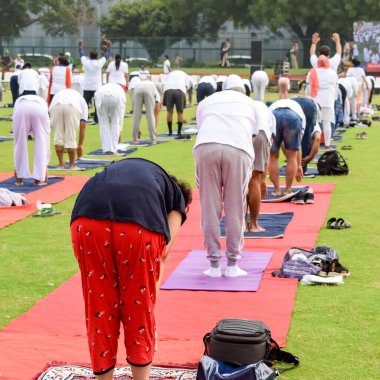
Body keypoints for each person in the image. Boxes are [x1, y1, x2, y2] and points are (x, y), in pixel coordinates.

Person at [70, 157, 192, 380]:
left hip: (86, 222)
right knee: (139, 309)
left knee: (99, 307)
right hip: (137, 229)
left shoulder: (122, 170)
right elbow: (163, 253)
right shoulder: (177, 198)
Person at [193, 74, 260, 278]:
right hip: (237, 148)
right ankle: (232, 265)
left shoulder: (207, 101)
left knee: (209, 207)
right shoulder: (250, 103)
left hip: (206, 147)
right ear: (242, 89)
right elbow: (253, 135)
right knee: (235, 206)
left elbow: (202, 128)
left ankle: (213, 265)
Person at [246, 101, 276, 232]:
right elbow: (268, 148)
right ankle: (254, 224)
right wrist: (264, 179)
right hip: (260, 133)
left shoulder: (242, 104)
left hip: (240, 132)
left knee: (239, 180)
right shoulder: (268, 112)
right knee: (255, 180)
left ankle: (243, 224)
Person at [268, 98, 306, 196]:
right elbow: (298, 146)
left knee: (272, 156)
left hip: (273, 115)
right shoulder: (300, 114)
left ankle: (277, 190)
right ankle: (287, 190)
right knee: (291, 156)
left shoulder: (274, 105)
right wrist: (299, 165)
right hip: (292, 117)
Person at [13, 94, 50, 186]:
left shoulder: (19, 101)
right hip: (39, 109)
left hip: (21, 109)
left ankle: (19, 179)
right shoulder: (42, 102)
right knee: (42, 142)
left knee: (19, 142)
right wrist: (45, 165)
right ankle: (39, 179)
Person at [49, 88, 88, 169]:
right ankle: (72, 165)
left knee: (58, 136)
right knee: (71, 137)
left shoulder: (60, 93)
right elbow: (83, 124)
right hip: (73, 107)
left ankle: (61, 165)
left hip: (55, 106)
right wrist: (80, 144)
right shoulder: (81, 99)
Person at [308, 55, 338, 149]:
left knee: (315, 123)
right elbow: (335, 86)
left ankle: (312, 144)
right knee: (327, 123)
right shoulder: (332, 73)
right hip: (328, 100)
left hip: (315, 99)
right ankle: (327, 144)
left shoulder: (312, 72)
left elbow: (308, 85)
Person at [79, 39, 111, 123]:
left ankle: (83, 118)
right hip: (97, 87)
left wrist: (80, 47)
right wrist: (108, 48)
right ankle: (96, 119)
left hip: (87, 86)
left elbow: (81, 55)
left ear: (89, 56)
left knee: (85, 104)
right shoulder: (99, 63)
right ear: (97, 56)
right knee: (97, 104)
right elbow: (106, 56)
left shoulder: (86, 62)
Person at [291, 97, 321, 175]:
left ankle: (295, 166)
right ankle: (301, 168)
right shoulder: (316, 122)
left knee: (289, 137)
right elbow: (317, 139)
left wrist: (290, 157)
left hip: (291, 102)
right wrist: (310, 156)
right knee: (305, 137)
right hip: (308, 105)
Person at [94, 83, 127, 154]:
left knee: (103, 123)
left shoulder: (102, 87)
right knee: (115, 122)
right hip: (115, 97)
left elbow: (97, 101)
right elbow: (121, 114)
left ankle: (105, 149)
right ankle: (114, 149)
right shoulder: (121, 90)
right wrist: (120, 129)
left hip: (101, 97)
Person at [162, 70, 190, 138]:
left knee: (169, 111)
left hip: (168, 89)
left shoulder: (170, 74)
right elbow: (187, 86)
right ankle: (179, 132)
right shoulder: (185, 74)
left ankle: (170, 132)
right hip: (180, 89)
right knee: (180, 112)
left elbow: (165, 82)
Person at [132, 80, 161, 144]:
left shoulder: (139, 83)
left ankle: (135, 139)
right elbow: (158, 101)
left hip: (137, 89)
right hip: (149, 89)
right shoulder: (153, 86)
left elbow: (133, 105)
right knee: (150, 115)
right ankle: (153, 139)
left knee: (136, 116)